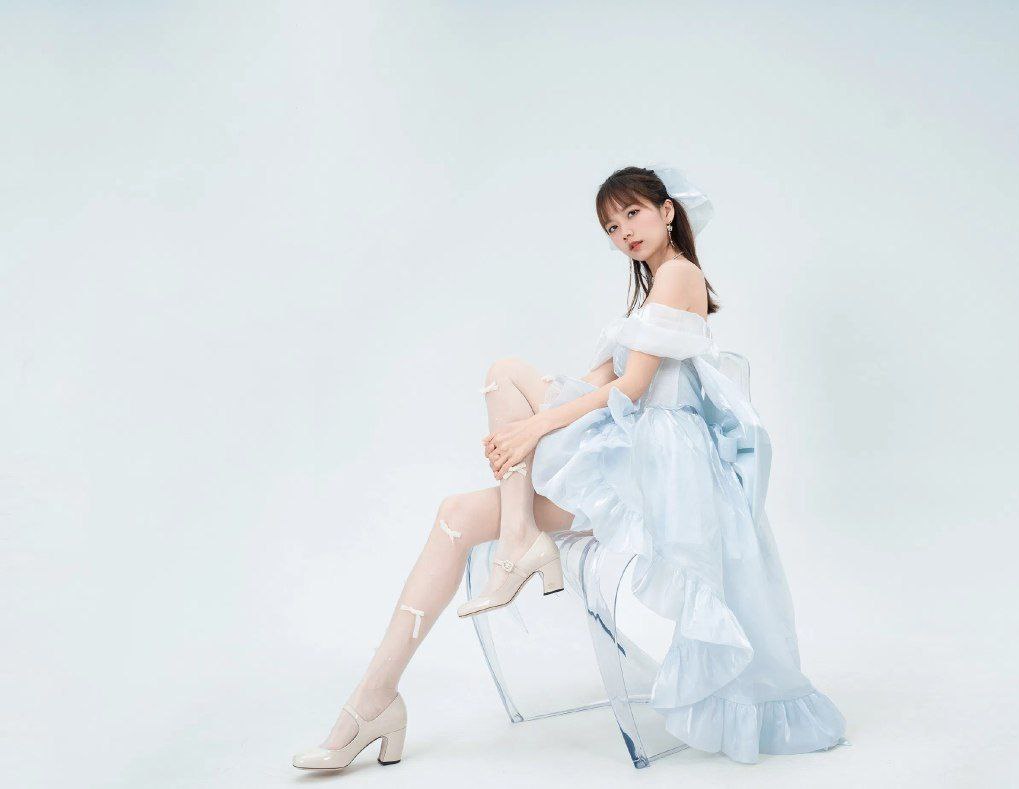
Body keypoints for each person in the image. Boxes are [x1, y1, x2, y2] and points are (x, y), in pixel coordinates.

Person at [291, 165, 848, 770]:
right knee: (477, 450)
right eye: (610, 226)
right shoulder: (651, 295)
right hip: (634, 451)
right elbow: (594, 382)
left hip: (655, 474)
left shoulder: (679, 274)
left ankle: (487, 579)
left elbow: (632, 388)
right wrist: (527, 422)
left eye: (632, 213)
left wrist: (532, 428)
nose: (623, 231)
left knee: (485, 442)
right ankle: (386, 688)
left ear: (667, 211)